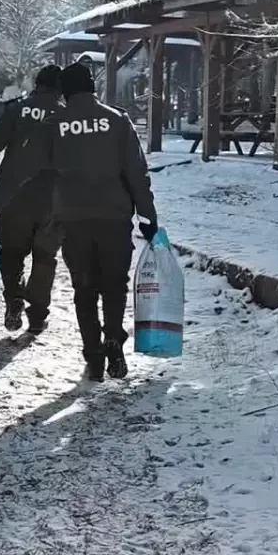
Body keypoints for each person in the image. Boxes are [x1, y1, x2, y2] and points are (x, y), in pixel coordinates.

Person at [47, 62, 158, 381]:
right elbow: (137, 172)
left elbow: (39, 171)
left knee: (84, 289)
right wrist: (147, 216)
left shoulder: (55, 124)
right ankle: (113, 339)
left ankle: (93, 356)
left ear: (66, 92)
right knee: (114, 284)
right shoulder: (117, 119)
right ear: (92, 88)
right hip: (114, 218)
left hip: (74, 219)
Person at [0, 65, 62, 335]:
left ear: (37, 84)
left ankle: (14, 298)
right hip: (53, 200)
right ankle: (38, 316)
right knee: (45, 257)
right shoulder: (67, 116)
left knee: (12, 252)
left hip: (14, 195)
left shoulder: (18, 110)